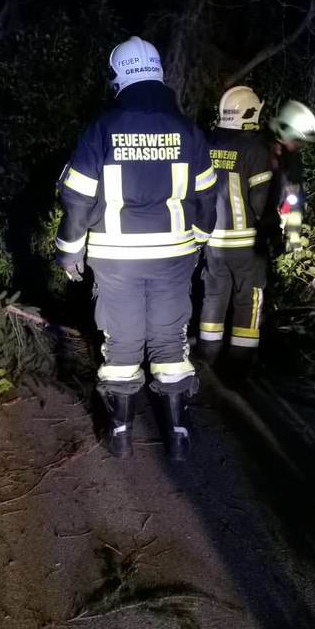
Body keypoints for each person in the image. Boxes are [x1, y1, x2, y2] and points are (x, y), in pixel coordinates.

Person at [54, 35, 217, 461]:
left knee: (122, 340)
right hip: (174, 256)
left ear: (118, 78)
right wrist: (197, 243)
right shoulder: (189, 131)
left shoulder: (102, 129)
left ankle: (120, 435)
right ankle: (178, 437)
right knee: (170, 340)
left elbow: (76, 198)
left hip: (116, 258)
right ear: (158, 74)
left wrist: (69, 251)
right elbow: (207, 198)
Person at [196, 86, 274, 367]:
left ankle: (207, 359)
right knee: (248, 298)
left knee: (214, 296)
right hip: (245, 243)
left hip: (212, 241)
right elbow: (262, 199)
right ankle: (241, 365)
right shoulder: (254, 149)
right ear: (249, 114)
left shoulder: (207, 144)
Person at [266, 100, 315, 254]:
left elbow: (295, 203)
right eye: (297, 139)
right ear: (286, 131)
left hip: (275, 239)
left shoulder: (293, 161)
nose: (299, 145)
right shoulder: (257, 153)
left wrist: (294, 237)